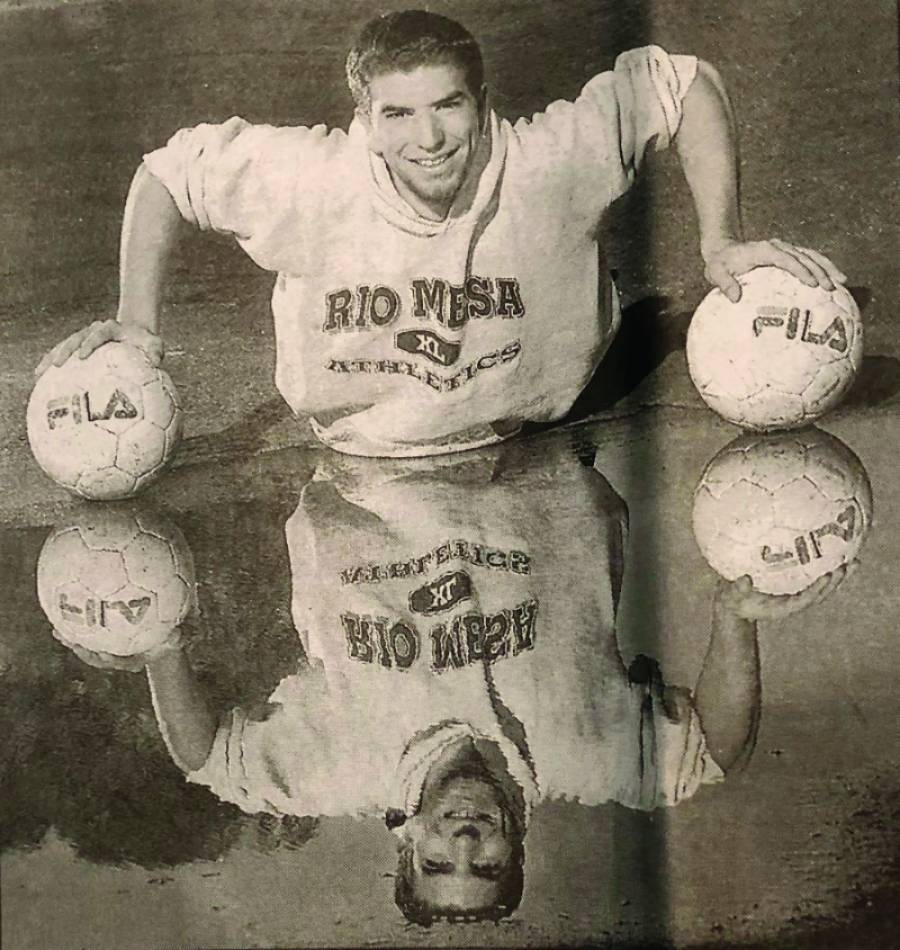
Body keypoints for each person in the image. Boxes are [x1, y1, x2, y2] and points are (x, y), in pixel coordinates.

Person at [34, 10, 846, 458]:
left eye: (447, 106)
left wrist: (721, 242)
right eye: (398, 114)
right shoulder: (310, 181)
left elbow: (685, 82)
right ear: (366, 119)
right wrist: (137, 320)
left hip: (541, 439)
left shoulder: (541, 160)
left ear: (480, 102)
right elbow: (170, 173)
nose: (427, 139)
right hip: (356, 456)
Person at [131, 437, 851, 925]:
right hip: (539, 428)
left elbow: (206, 758)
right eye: (488, 864)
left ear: (406, 840)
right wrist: (735, 620)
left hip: (369, 441)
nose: (467, 844)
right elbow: (716, 751)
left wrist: (157, 646)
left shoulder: (338, 769)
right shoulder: (586, 758)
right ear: (519, 846)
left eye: (441, 861)